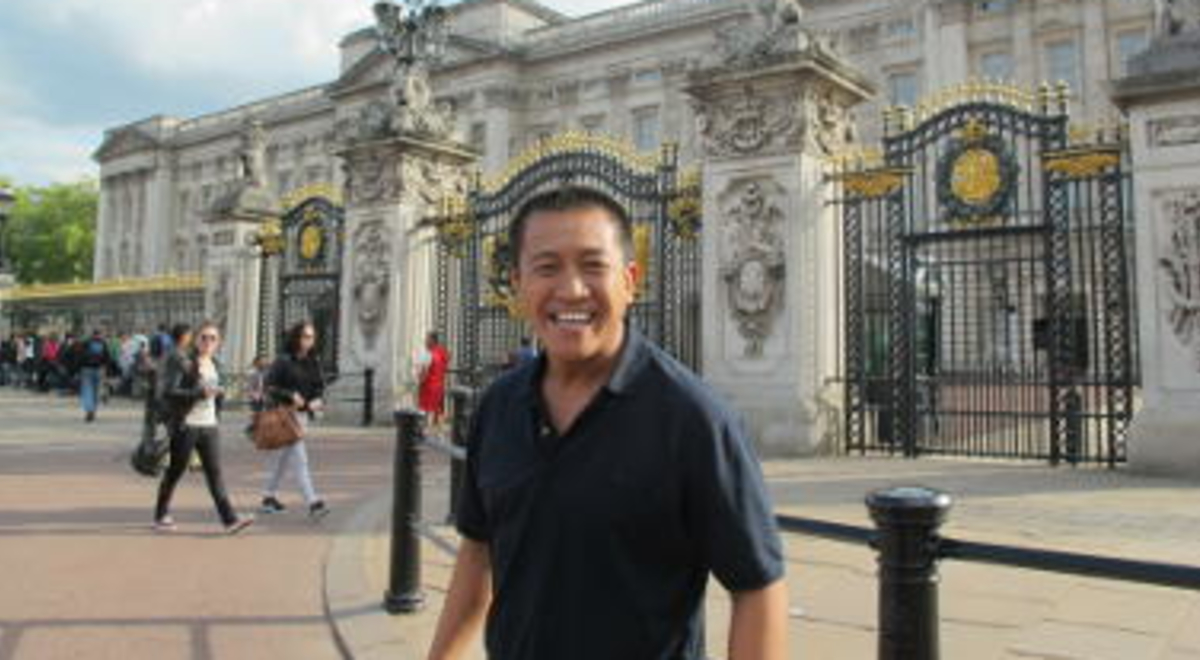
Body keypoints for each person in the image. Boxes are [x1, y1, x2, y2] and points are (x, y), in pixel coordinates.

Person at [427, 187, 787, 660]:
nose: (572, 289)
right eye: (547, 267)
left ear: (630, 280)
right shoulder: (498, 406)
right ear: (517, 284)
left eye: (593, 265)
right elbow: (478, 555)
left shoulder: (695, 418)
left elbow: (757, 587)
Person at [153, 321, 253, 534]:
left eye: (213, 338)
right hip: (186, 426)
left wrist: (219, 398)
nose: (208, 342)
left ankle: (230, 520)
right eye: (204, 337)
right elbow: (170, 391)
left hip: (209, 426)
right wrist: (200, 394)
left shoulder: (216, 364)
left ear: (219, 343)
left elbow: (216, 394)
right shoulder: (185, 362)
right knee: (175, 472)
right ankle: (161, 513)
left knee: (215, 473)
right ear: (195, 340)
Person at [259, 321, 330, 520]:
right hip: (283, 415)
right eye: (306, 336)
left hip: (302, 416)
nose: (309, 341)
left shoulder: (313, 361)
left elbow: (319, 386)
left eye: (312, 337)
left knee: (281, 461)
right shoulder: (283, 361)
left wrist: (318, 399)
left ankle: (268, 497)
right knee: (300, 460)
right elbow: (269, 387)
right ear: (296, 337)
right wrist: (290, 395)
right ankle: (313, 502)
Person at [417, 331, 450, 428]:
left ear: (432, 341)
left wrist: (419, 382)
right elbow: (445, 364)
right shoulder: (442, 353)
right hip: (439, 386)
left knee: (426, 411)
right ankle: (438, 431)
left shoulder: (428, 354)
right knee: (438, 411)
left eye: (427, 339)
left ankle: (426, 430)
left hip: (428, 386)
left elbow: (424, 371)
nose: (425, 341)